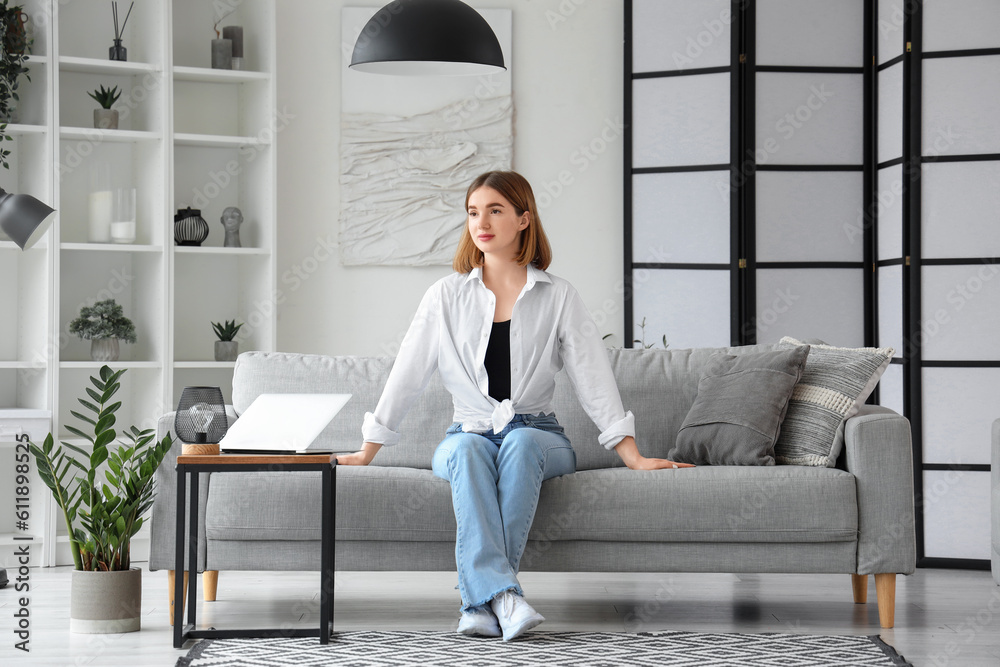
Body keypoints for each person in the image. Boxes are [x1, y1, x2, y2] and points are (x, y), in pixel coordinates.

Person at [336, 171, 693, 641]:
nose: (480, 222)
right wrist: (368, 449)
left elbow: (593, 377)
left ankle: (476, 603)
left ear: (524, 219)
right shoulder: (444, 296)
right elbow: (407, 373)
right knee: (466, 450)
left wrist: (632, 454)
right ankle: (503, 598)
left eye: (495, 210)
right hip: (464, 433)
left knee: (522, 440)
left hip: (540, 434)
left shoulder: (558, 295)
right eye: (472, 212)